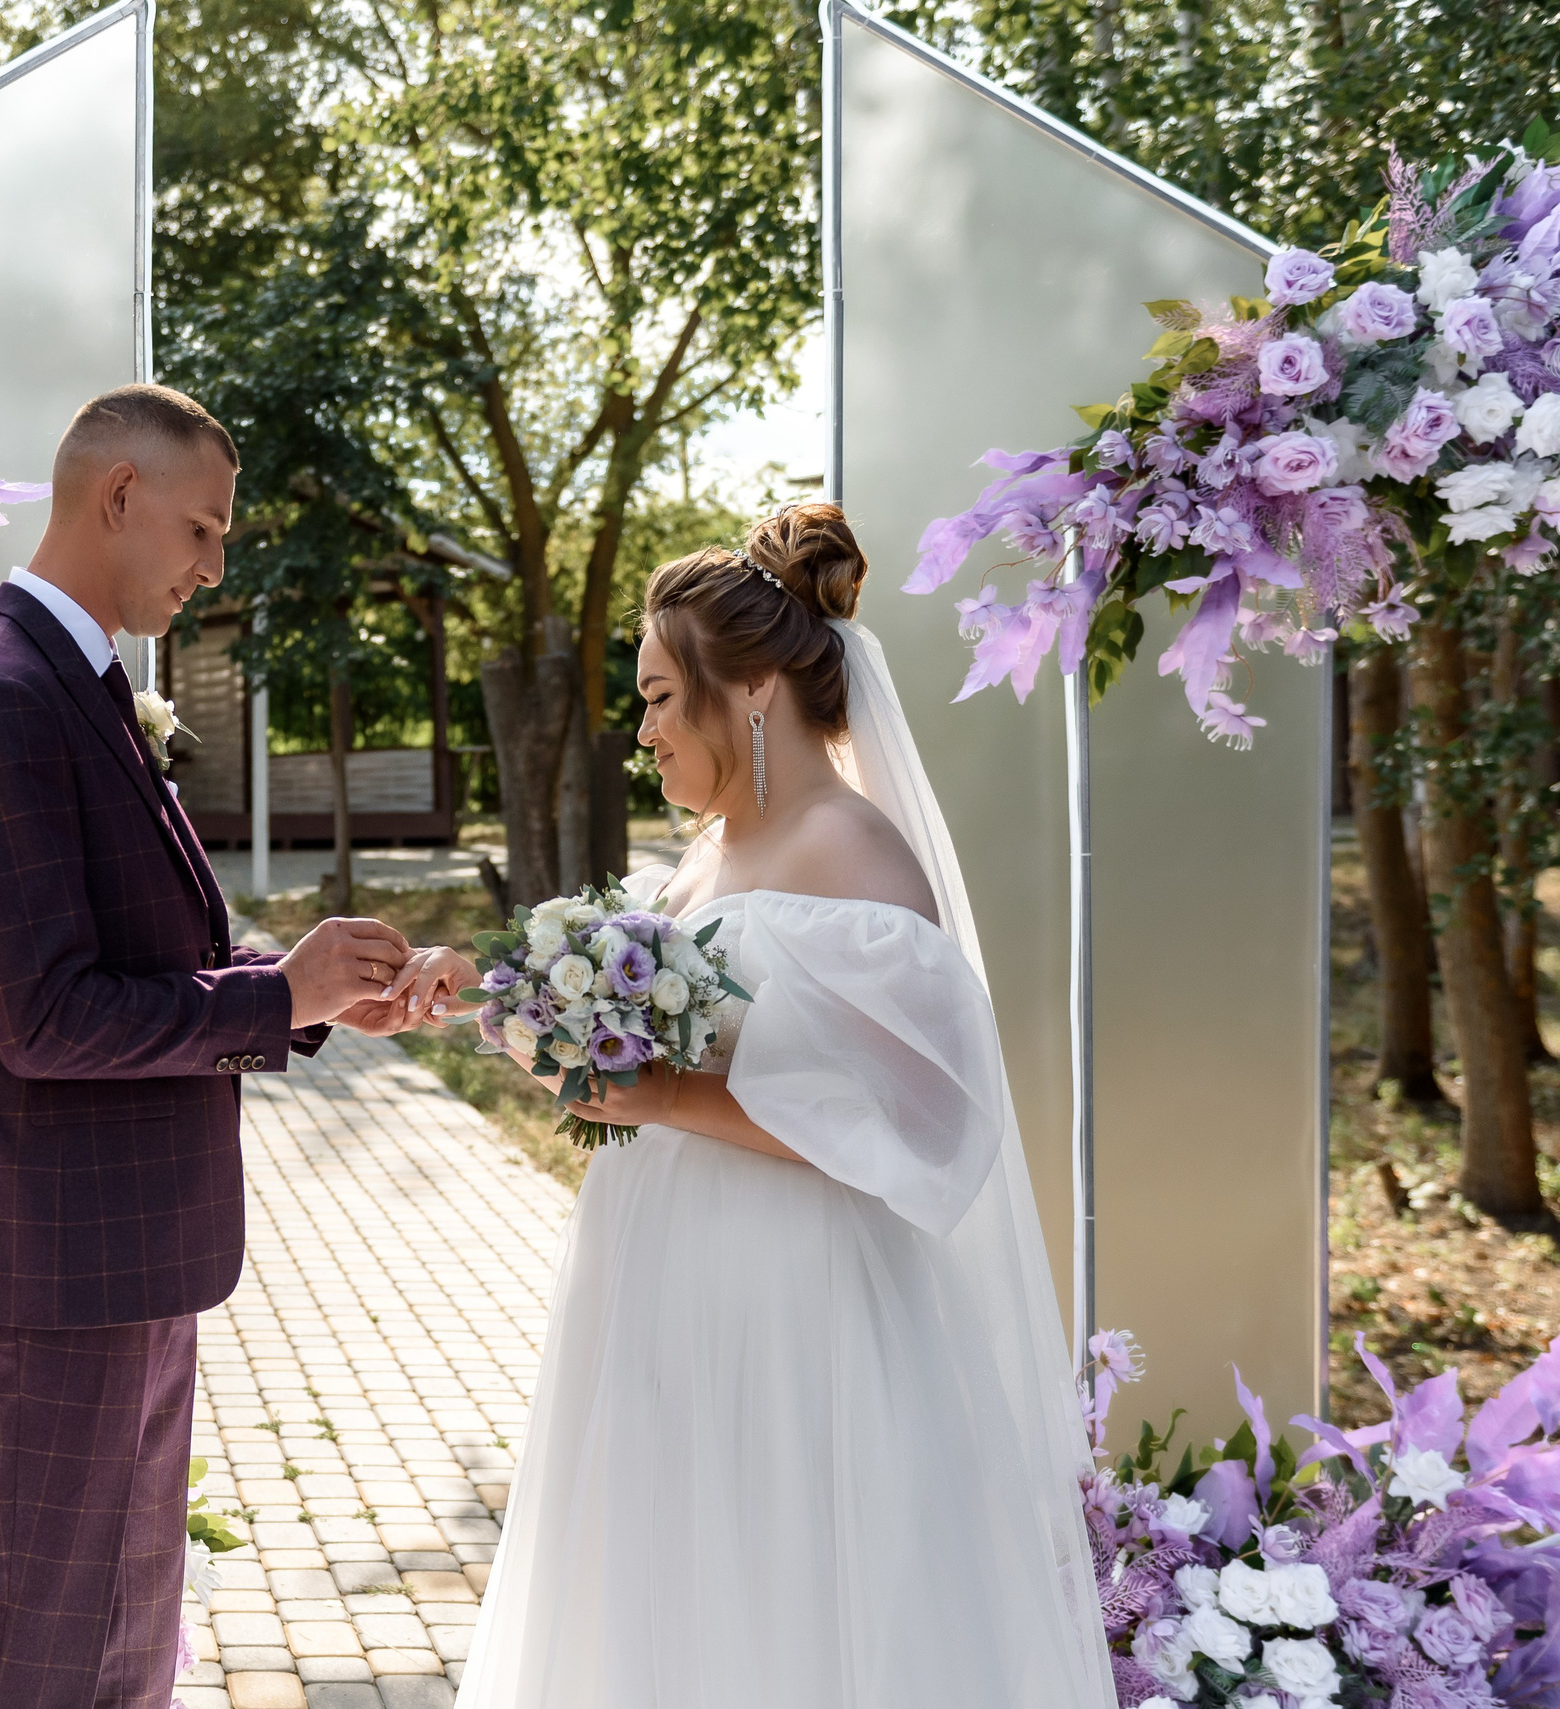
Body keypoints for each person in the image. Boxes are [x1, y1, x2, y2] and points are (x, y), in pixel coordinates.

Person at [385, 504, 1116, 1706]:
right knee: (661, 1581)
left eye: (665, 695)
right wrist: (493, 985)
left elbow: (918, 1120)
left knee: (781, 1581)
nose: (646, 728)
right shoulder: (711, 852)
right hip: (662, 1267)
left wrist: (665, 1092)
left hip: (796, 1293)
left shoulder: (856, 853)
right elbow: (638, 1014)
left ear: (759, 688)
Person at [0, 383, 415, 1709]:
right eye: (204, 529)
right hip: (59, 1260)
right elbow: (48, 1014)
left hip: (119, 1252)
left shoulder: (75, 685)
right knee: (40, 1649)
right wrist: (270, 999)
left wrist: (315, 990)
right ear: (118, 495)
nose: (213, 565)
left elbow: (143, 959)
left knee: (121, 1635)